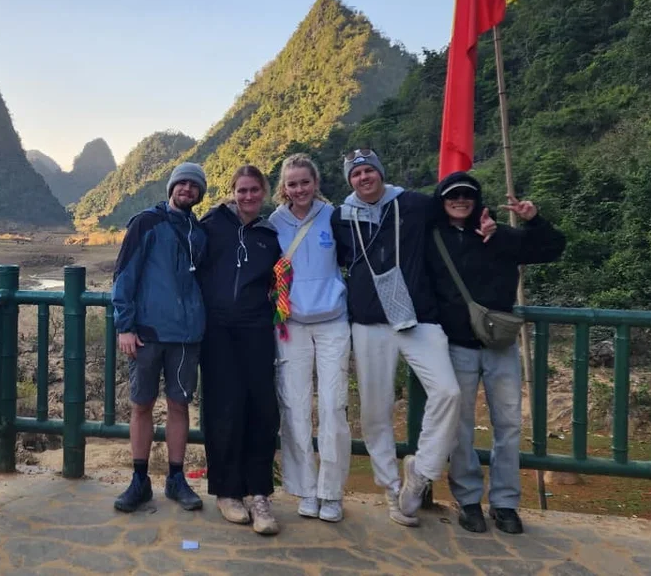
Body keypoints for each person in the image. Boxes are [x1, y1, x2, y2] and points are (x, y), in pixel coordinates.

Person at [329, 149, 480, 527]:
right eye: (356, 174)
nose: (364, 177)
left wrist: (486, 219)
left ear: (381, 172)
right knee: (375, 410)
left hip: (418, 317)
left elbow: (456, 210)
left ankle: (422, 471)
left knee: (448, 392)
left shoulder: (412, 204)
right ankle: (390, 488)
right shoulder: (341, 216)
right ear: (350, 180)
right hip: (369, 322)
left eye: (369, 170)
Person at [427, 172, 566, 535]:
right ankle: (468, 500)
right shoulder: (434, 238)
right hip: (456, 345)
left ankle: (505, 503)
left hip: (499, 345)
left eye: (467, 195)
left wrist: (533, 220)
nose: (460, 200)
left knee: (508, 424)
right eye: (452, 195)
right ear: (441, 200)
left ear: (477, 200)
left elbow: (553, 248)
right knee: (460, 428)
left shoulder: (498, 234)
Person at [111, 162, 209, 513]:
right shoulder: (146, 223)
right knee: (142, 405)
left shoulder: (199, 232)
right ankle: (139, 480)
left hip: (186, 336)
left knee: (179, 405)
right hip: (147, 334)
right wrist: (124, 326)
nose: (187, 189)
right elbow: (124, 274)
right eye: (182, 183)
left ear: (200, 194)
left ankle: (176, 479)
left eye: (194, 186)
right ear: (171, 187)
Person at [197, 164, 283, 534]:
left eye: (254, 190)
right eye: (241, 190)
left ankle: (259, 493)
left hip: (257, 330)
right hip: (216, 331)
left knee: (262, 409)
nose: (248, 196)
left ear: (264, 192)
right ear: (232, 191)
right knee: (223, 409)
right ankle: (227, 491)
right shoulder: (211, 224)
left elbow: (281, 280)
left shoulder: (269, 235)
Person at [267, 153, 353, 523]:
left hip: (333, 321)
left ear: (315, 183)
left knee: (333, 405)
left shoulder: (333, 216)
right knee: (295, 406)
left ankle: (331, 492)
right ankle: (305, 488)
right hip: (291, 324)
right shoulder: (275, 222)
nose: (299, 189)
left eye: (305, 182)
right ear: (283, 188)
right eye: (292, 183)